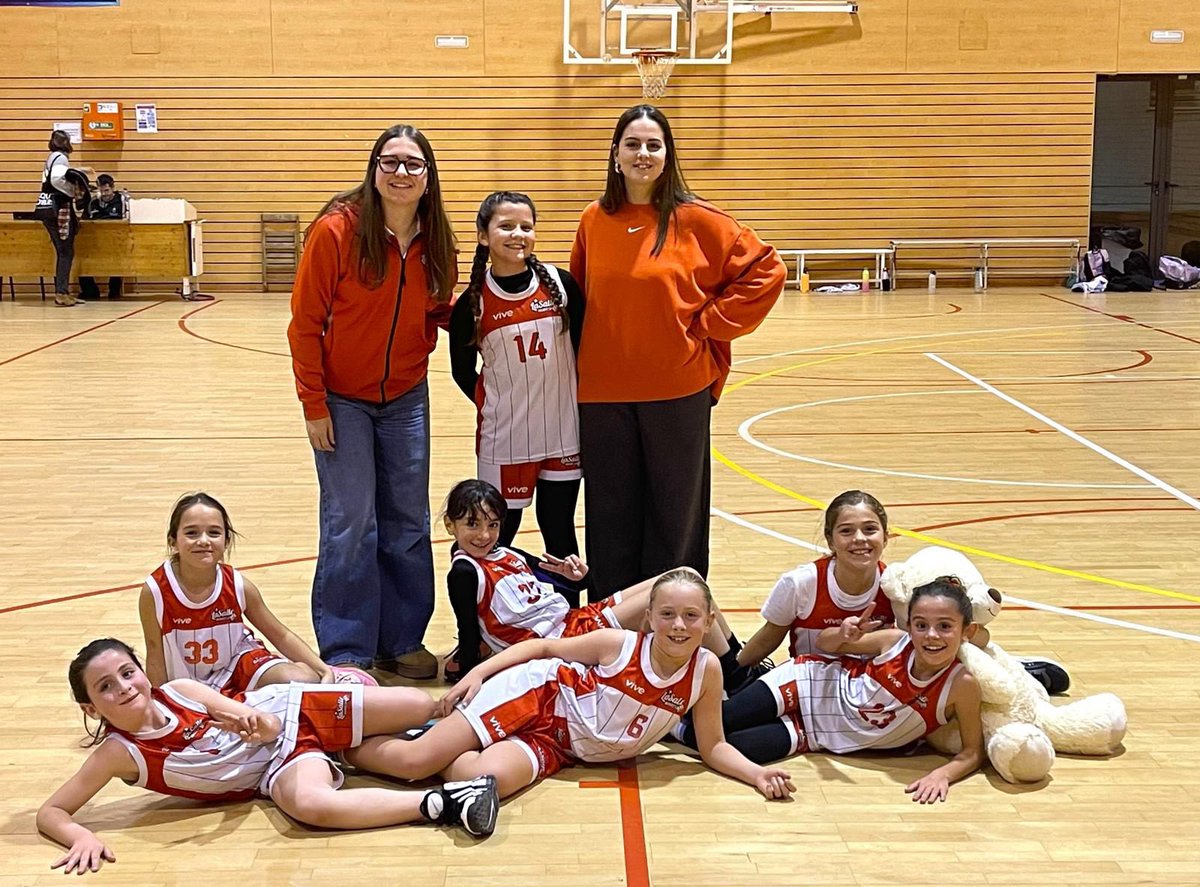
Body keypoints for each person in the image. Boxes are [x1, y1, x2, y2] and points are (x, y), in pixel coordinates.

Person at [37, 639, 499, 874]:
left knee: (424, 705)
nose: (124, 688)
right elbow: (52, 811)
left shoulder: (179, 691)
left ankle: (508, 701)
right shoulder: (119, 753)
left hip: (294, 711)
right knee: (312, 807)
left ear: (142, 671)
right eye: (106, 687)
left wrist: (251, 723)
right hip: (274, 768)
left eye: (127, 672)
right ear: (89, 707)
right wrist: (78, 837)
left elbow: (268, 724)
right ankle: (448, 803)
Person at [570, 104, 786, 600]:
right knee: (610, 516)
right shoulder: (594, 219)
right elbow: (579, 299)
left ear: (667, 155)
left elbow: (767, 270)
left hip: (677, 390)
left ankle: (676, 624)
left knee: (675, 518)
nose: (642, 154)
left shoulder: (698, 219)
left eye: (653, 145)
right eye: (633, 144)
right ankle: (612, 624)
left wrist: (710, 323)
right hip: (602, 395)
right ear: (615, 154)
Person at [341, 569, 796, 803]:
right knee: (414, 765)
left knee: (481, 781)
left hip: (562, 747)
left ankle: (439, 733)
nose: (679, 625)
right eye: (667, 615)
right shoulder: (617, 644)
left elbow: (713, 745)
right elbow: (543, 649)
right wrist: (480, 671)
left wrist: (757, 775)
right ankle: (332, 739)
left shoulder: (706, 670)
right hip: (539, 696)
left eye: (692, 616)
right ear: (650, 617)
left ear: (710, 620)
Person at [287, 124, 458, 680]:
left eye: (413, 164)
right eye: (390, 162)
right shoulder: (337, 231)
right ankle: (347, 650)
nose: (401, 173)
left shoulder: (436, 240)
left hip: (406, 397)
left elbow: (436, 311)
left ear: (428, 177)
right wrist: (315, 403)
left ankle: (402, 640)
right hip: (341, 400)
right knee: (352, 520)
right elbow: (305, 325)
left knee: (408, 519)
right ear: (374, 169)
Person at [675, 578, 985, 803]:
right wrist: (843, 634)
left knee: (716, 745)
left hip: (815, 735)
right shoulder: (894, 642)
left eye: (944, 626)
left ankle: (664, 723)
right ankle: (658, 705)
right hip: (808, 682)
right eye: (921, 625)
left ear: (966, 631)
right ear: (910, 626)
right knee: (721, 720)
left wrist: (942, 774)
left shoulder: (962, 685)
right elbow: (824, 644)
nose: (931, 636)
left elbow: (972, 752)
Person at [440, 479, 765, 691]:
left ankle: (738, 660)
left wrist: (576, 575)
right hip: (562, 644)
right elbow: (470, 631)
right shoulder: (465, 574)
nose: (484, 534)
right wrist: (467, 675)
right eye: (473, 524)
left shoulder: (505, 553)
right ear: (450, 526)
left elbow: (561, 582)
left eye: (492, 524)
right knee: (679, 594)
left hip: (576, 621)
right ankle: (736, 678)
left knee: (687, 575)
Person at [735, 489, 1071, 694]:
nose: (860, 540)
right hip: (814, 685)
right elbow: (768, 637)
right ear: (830, 540)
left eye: (870, 530)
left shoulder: (901, 588)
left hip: (876, 689)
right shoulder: (801, 583)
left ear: (886, 536)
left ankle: (1019, 673)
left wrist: (979, 648)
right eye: (847, 531)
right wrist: (733, 676)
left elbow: (956, 638)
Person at [448, 191, 584, 557]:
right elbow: (462, 372)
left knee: (560, 531)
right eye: (506, 226)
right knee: (496, 538)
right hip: (506, 440)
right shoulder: (472, 305)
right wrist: (497, 404)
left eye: (526, 226)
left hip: (563, 434)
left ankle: (568, 615)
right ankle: (488, 613)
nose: (518, 234)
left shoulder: (562, 286)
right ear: (483, 235)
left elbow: (585, 351)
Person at [137, 492, 373, 696]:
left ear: (226, 540)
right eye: (191, 533)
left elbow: (280, 635)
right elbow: (155, 655)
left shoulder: (238, 585)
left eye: (214, 532)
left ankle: (339, 677)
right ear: (173, 541)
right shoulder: (155, 591)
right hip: (189, 682)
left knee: (302, 680)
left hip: (237, 664)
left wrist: (324, 670)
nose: (204, 541)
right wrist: (162, 705)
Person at [33, 130, 90, 308]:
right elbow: (57, 178)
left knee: (63, 251)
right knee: (65, 251)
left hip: (47, 208)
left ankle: (63, 290)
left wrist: (79, 170)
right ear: (66, 142)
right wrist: (72, 191)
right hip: (58, 208)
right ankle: (61, 292)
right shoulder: (61, 157)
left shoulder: (52, 157)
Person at [79, 174, 125, 301]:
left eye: (107, 190)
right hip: (94, 241)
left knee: (118, 257)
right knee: (81, 257)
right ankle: (90, 291)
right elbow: (84, 221)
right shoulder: (92, 202)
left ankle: (114, 291)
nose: (104, 194)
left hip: (116, 241)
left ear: (112, 188)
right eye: (101, 190)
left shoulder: (122, 201)